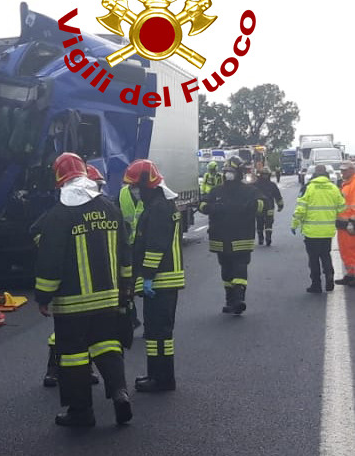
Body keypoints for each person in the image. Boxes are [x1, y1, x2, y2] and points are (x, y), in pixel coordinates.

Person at [33, 154, 132, 427]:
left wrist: (43, 296)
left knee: (74, 355)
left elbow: (50, 260)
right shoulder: (111, 208)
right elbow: (125, 253)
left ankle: (81, 413)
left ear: (59, 179)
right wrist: (126, 289)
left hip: (72, 303)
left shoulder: (59, 215)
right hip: (109, 297)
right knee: (108, 344)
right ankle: (120, 392)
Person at [124, 159, 185, 393]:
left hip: (161, 280)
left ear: (145, 184)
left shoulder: (158, 208)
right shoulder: (161, 204)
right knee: (160, 333)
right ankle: (159, 375)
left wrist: (147, 275)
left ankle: (161, 379)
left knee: (158, 332)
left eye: (134, 186)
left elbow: (155, 246)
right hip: (165, 279)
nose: (133, 191)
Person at [199, 155, 263, 315]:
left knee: (240, 267)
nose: (228, 174)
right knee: (226, 270)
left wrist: (252, 206)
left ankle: (239, 298)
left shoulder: (250, 191)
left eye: (231, 171)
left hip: (241, 238)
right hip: (221, 239)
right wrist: (210, 208)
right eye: (226, 171)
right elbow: (202, 203)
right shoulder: (216, 191)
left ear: (239, 173)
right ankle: (230, 300)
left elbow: (262, 204)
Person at [292, 164, 346, 293]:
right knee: (326, 255)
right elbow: (342, 207)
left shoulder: (308, 188)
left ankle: (316, 284)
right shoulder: (333, 188)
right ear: (326, 173)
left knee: (314, 258)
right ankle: (329, 276)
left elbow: (300, 209)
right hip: (327, 230)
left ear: (314, 174)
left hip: (311, 231)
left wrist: (294, 224)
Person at [252, 167, 284, 246]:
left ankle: (264, 238)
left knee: (264, 223)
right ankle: (264, 238)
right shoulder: (271, 185)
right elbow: (278, 196)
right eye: (264, 174)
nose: (265, 176)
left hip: (262, 207)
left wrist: (280, 205)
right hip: (267, 207)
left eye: (266, 175)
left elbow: (278, 196)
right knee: (265, 223)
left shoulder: (255, 184)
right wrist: (280, 206)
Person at [337, 162, 355, 286]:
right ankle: (350, 275)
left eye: (345, 170)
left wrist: (352, 222)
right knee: (345, 250)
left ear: (352, 170)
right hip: (343, 224)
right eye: (342, 171)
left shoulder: (353, 185)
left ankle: (353, 276)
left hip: (350, 224)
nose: (342, 173)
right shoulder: (346, 184)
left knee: (350, 250)